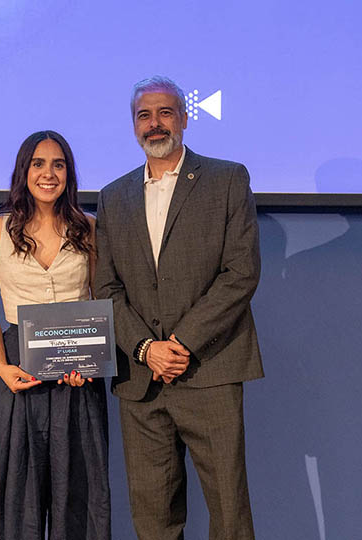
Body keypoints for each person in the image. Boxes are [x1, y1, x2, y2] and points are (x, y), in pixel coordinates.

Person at [94, 76, 263, 540]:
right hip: (141, 382)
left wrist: (181, 343)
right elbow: (105, 287)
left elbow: (241, 273)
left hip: (210, 371)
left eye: (165, 112)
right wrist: (146, 349)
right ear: (134, 125)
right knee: (154, 521)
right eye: (144, 115)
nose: (155, 123)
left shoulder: (227, 180)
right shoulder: (113, 197)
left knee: (229, 515)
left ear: (185, 119)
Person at [0, 130, 111, 540]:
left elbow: (102, 299)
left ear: (69, 173)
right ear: (24, 170)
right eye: (38, 164)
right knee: (16, 491)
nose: (48, 174)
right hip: (18, 370)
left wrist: (90, 364)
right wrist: (2, 367)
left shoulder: (89, 228)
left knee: (79, 491)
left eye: (58, 164)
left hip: (78, 376)